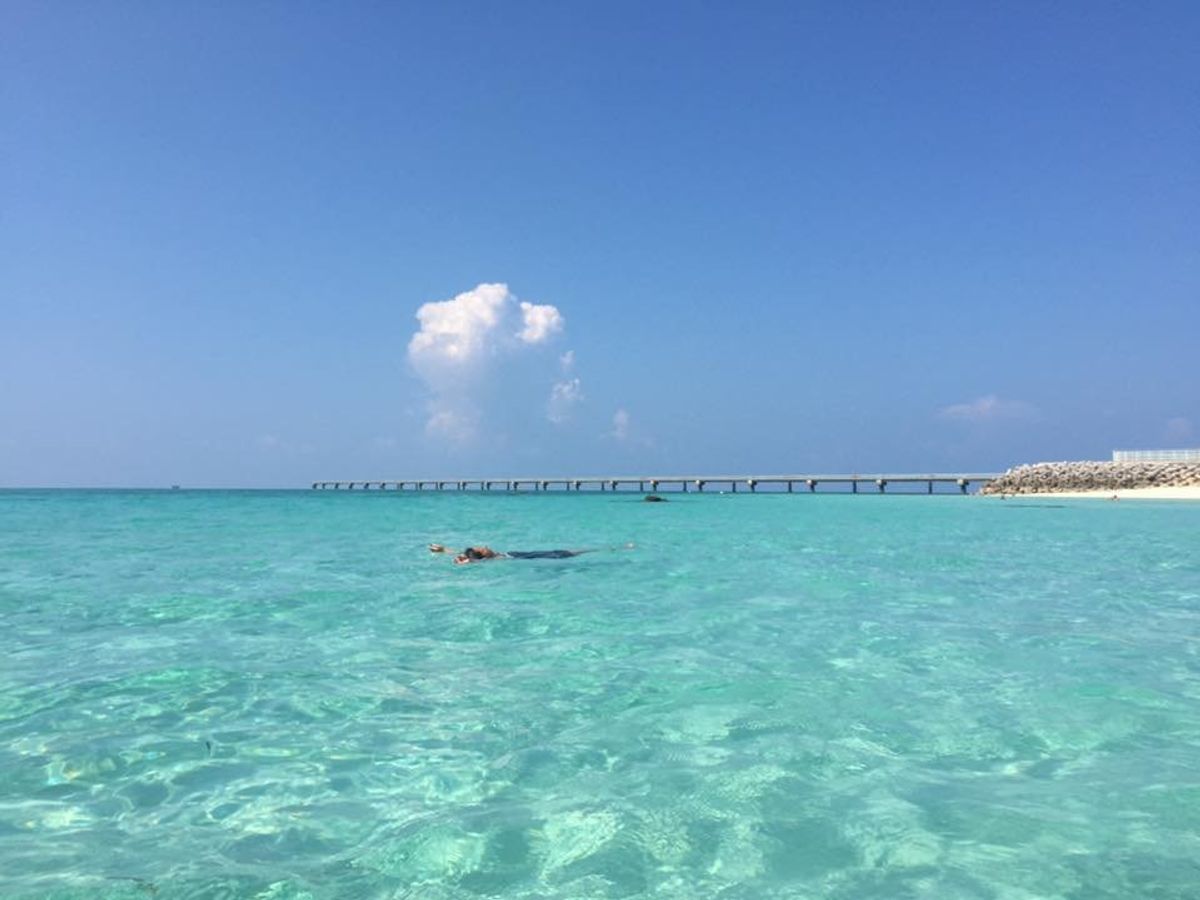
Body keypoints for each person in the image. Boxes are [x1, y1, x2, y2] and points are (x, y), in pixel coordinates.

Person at [429, 543, 631, 564]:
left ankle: (610, 548)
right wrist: (466, 561)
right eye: (483, 548)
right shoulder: (495, 558)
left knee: (574, 551)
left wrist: (444, 550)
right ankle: (614, 548)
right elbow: (472, 560)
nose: (485, 545)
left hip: (536, 553)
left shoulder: (495, 555)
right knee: (573, 552)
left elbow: (463, 553)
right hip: (544, 556)